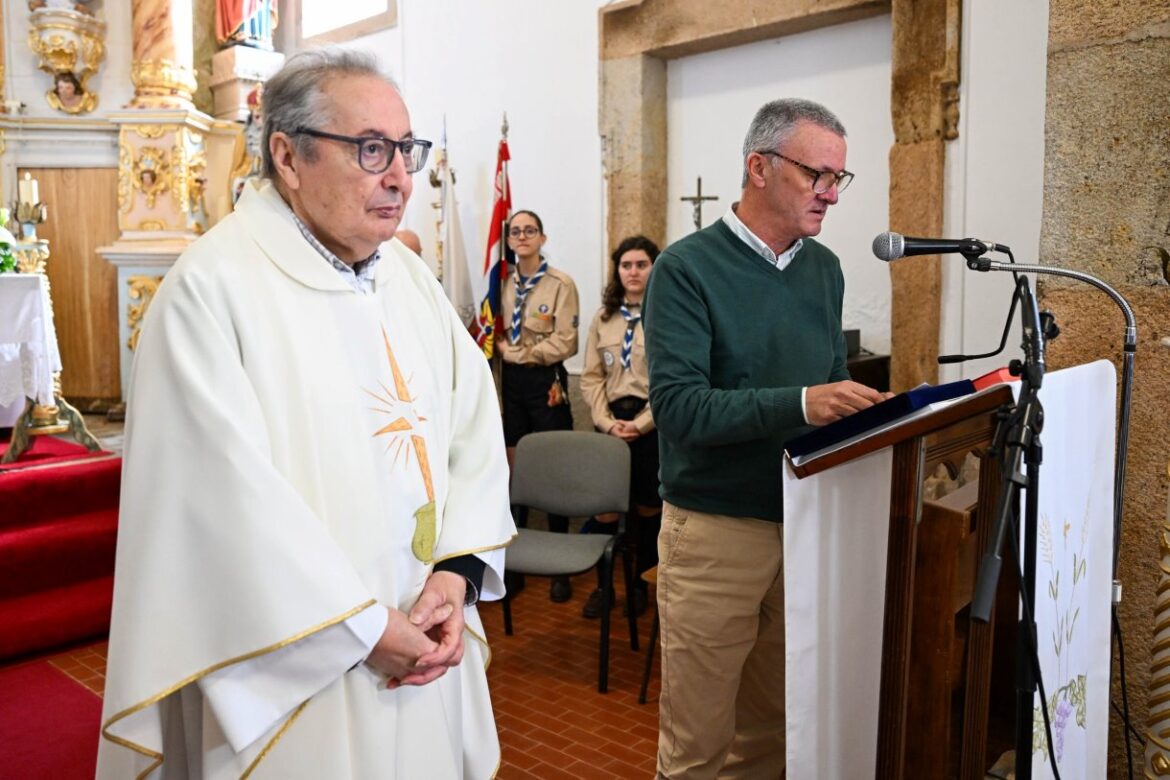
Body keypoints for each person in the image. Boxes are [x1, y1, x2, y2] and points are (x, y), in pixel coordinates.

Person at [97, 48, 515, 778]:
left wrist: (456, 574)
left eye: (406, 151)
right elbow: (219, 505)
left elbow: (473, 433)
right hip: (297, 681)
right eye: (371, 150)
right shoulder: (211, 293)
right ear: (287, 158)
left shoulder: (409, 281)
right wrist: (361, 629)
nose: (400, 178)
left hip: (428, 638)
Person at [643, 98, 889, 778]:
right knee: (697, 748)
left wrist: (880, 413)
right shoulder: (687, 269)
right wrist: (805, 404)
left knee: (775, 735)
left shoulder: (824, 269)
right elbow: (681, 409)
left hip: (806, 521)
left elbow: (832, 383)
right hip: (717, 531)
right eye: (818, 175)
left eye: (841, 178)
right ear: (759, 167)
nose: (832, 194)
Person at [497, 209, 579, 602]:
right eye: (516, 232)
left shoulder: (560, 284)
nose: (523, 237)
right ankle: (513, 563)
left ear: (542, 238)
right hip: (509, 384)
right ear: (509, 240)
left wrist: (523, 356)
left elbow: (567, 342)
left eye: (530, 231)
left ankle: (561, 567)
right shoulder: (498, 284)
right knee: (515, 469)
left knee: (554, 468)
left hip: (546, 382)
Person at [578, 235, 661, 618]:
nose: (633, 272)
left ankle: (642, 587)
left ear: (653, 267)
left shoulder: (667, 313)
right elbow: (591, 377)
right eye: (626, 265)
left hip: (650, 424)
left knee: (647, 508)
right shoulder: (604, 318)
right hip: (610, 424)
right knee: (605, 510)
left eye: (641, 264)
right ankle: (603, 588)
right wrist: (605, 423)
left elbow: (671, 380)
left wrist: (642, 424)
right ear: (617, 270)